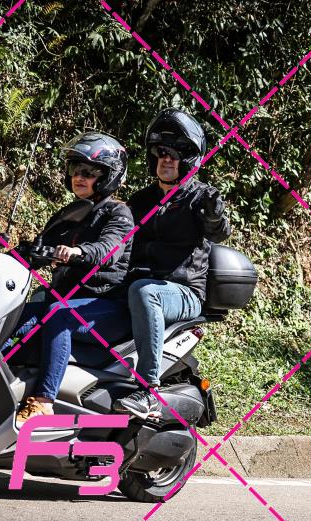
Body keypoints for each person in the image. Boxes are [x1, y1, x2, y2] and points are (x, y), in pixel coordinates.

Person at [114, 108, 230, 419]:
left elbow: (218, 231)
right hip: (139, 284)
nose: (167, 160)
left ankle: (148, 392)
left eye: (175, 154)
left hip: (183, 292)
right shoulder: (140, 201)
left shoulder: (202, 198)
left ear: (188, 160)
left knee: (144, 291)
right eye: (161, 152)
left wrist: (215, 215)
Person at [11, 132, 134, 425]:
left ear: (109, 176)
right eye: (75, 169)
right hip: (67, 298)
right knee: (11, 318)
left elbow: (109, 249)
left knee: (59, 315)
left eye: (90, 172)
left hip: (104, 304)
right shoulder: (70, 214)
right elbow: (38, 247)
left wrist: (79, 251)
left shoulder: (119, 213)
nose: (80, 177)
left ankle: (44, 403)